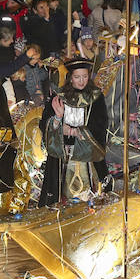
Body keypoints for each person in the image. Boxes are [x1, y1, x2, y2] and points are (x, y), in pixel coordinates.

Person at [40, 57, 108, 206]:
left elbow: (101, 125)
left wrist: (76, 132)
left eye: (84, 76)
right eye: (77, 77)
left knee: (89, 194)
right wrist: (57, 119)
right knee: (61, 195)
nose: (81, 81)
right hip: (62, 157)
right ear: (70, 78)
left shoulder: (95, 97)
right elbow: (44, 124)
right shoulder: (59, 97)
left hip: (87, 156)